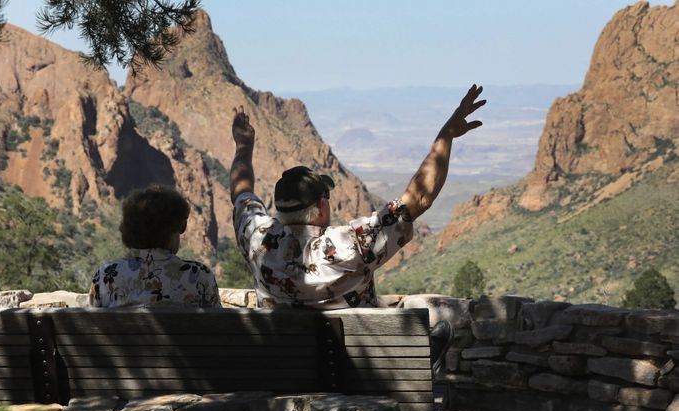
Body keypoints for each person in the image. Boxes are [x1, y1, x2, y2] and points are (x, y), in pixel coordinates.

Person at [230, 85, 486, 311]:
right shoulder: (353, 245)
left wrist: (243, 147)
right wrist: (447, 134)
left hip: (284, 365)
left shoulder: (257, 238)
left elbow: (241, 192)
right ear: (321, 206)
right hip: (351, 366)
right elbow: (419, 197)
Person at [89, 185, 221, 308]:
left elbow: (92, 323)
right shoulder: (199, 275)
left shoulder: (106, 275)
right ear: (180, 227)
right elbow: (219, 325)